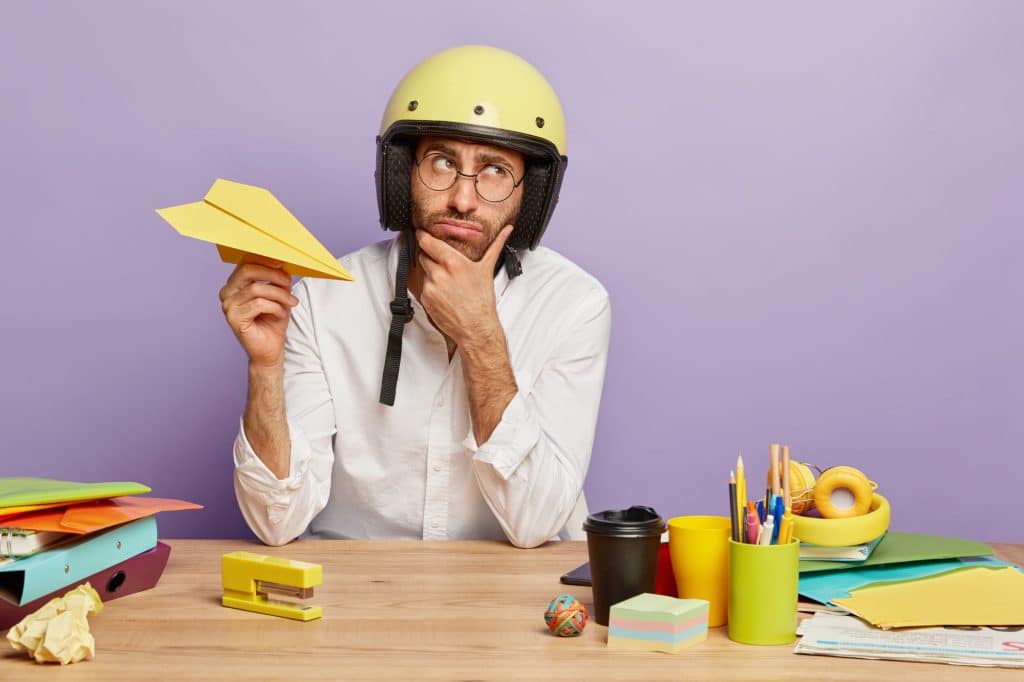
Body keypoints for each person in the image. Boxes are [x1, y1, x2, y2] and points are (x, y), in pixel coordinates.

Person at [219, 45, 611, 548]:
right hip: (360, 593)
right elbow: (275, 522)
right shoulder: (322, 298)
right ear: (401, 174)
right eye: (442, 162)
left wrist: (481, 335)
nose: (463, 200)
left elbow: (536, 521)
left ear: (529, 195)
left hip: (514, 598)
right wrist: (265, 368)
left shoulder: (575, 304)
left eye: (494, 170)